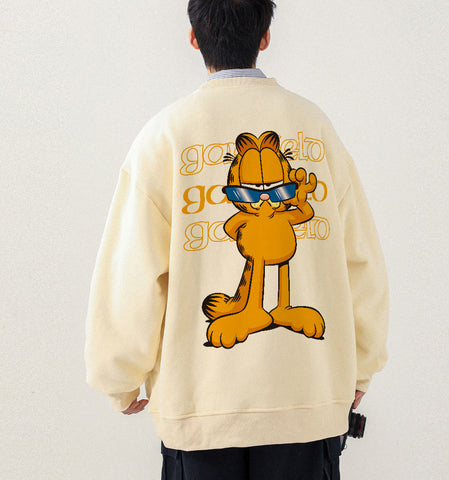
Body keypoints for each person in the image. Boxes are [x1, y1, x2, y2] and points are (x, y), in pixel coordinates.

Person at [84, 1, 389, 478]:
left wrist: (118, 377)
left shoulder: (165, 136)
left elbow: (132, 271)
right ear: (265, 36)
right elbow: (360, 259)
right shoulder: (315, 127)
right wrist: (363, 363)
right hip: (306, 400)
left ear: (194, 37)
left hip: (201, 409)